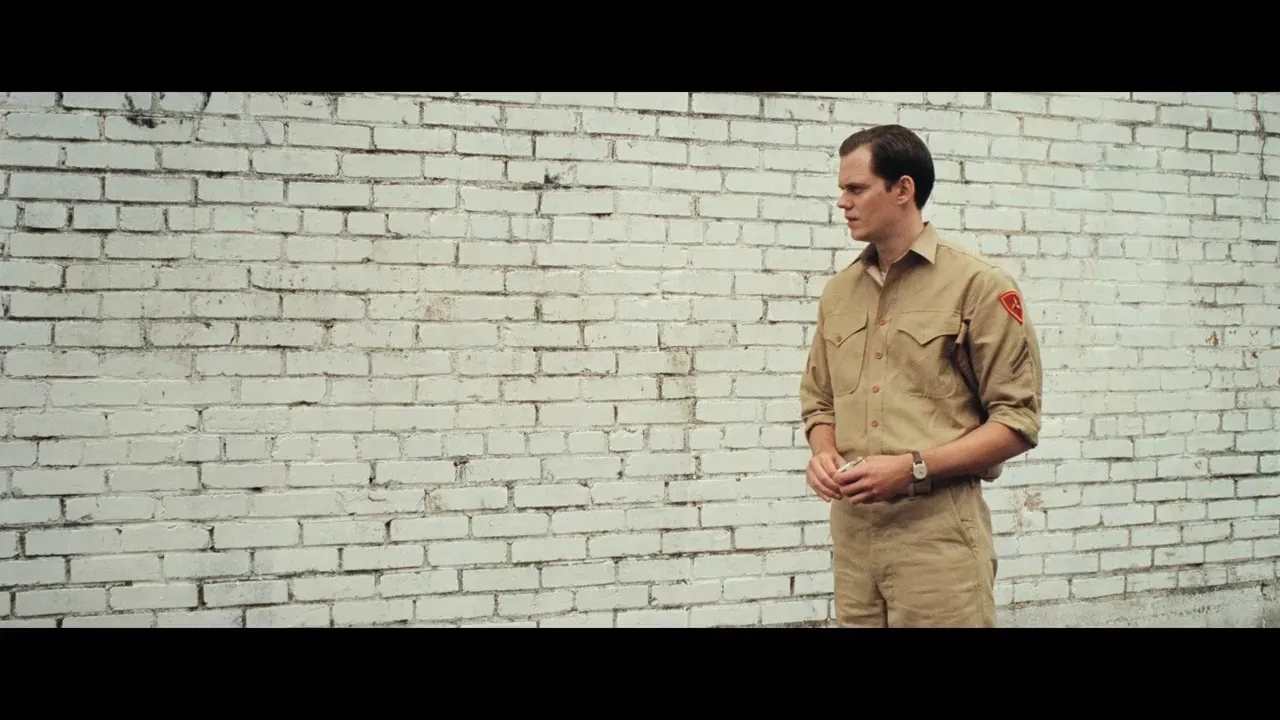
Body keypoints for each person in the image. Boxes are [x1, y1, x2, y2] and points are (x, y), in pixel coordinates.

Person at [798, 124, 1043, 628]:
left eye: (856, 188)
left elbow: (1018, 422)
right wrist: (823, 452)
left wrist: (912, 467)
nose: (843, 202)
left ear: (903, 189)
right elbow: (819, 402)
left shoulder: (979, 284)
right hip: (855, 538)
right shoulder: (839, 293)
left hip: (937, 537)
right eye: (842, 189)